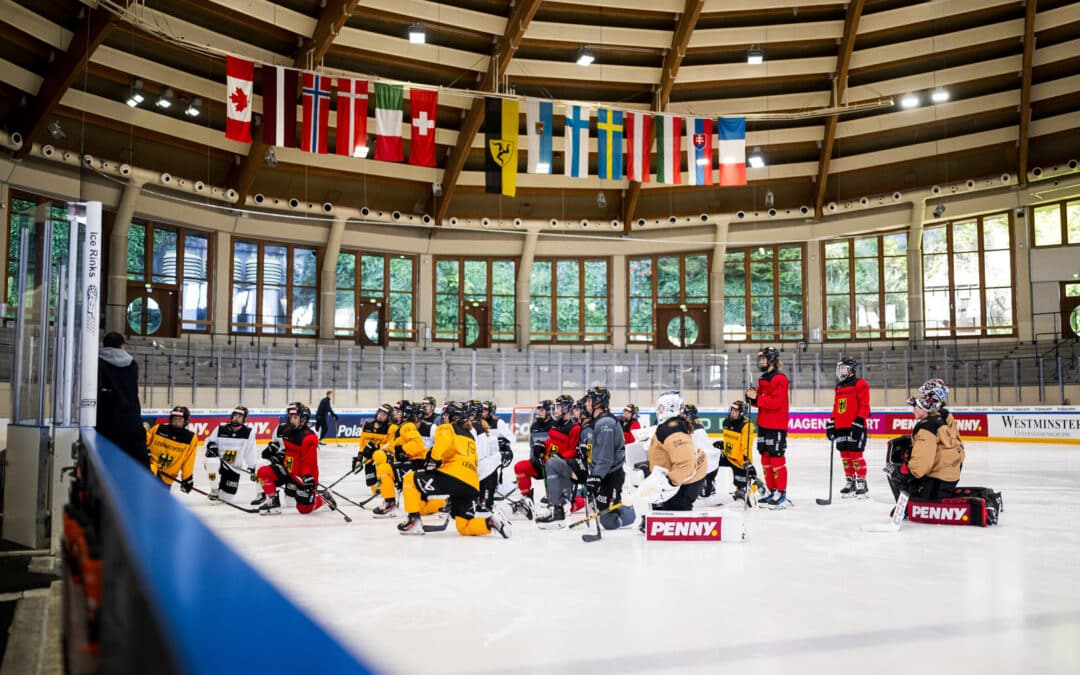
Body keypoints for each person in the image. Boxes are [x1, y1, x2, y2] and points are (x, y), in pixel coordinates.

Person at [396, 402, 511, 538]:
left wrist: (433, 459)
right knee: (464, 527)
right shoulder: (469, 435)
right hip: (471, 484)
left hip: (453, 476)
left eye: (446, 414)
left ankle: (413, 520)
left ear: (452, 417)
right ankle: (490, 522)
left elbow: (442, 445)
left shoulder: (447, 428)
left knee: (410, 479)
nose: (443, 417)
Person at [885, 381, 965, 501]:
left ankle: (909, 505)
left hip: (939, 477)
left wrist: (905, 472)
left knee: (897, 473)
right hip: (951, 471)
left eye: (922, 398)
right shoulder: (940, 417)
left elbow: (923, 460)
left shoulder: (928, 425)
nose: (913, 410)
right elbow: (952, 442)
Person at [254, 402, 337, 515]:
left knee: (303, 509)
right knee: (263, 471)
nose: (290, 419)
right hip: (288, 470)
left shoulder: (309, 437)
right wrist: (279, 457)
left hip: (303, 476)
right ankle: (273, 500)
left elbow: (310, 462)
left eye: (295, 417)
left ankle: (323, 498)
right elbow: (288, 452)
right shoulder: (286, 431)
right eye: (290, 416)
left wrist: (309, 478)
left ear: (303, 420)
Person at [638, 391, 708, 514]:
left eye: (660, 407)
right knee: (672, 512)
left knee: (677, 514)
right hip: (681, 479)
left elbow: (685, 464)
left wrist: (669, 482)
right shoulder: (671, 426)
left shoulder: (672, 428)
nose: (658, 410)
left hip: (683, 482)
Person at [746, 347, 792, 509]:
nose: (761, 362)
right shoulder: (763, 378)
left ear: (772, 360)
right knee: (765, 457)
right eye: (760, 359)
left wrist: (757, 397)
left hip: (776, 425)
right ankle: (772, 490)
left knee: (776, 458)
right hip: (764, 424)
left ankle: (781, 492)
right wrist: (751, 397)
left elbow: (775, 402)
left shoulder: (780, 379)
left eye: (764, 359)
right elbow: (759, 399)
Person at [95, 331, 148, 468]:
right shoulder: (132, 364)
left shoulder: (96, 362)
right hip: (130, 418)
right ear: (121, 346)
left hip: (104, 419)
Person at [537, 397, 590, 525]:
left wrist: (559, 457)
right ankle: (555, 506)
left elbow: (573, 450)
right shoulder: (556, 424)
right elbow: (552, 441)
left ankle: (566, 505)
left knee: (565, 496)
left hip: (567, 465)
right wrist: (542, 445)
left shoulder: (575, 427)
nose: (556, 410)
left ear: (566, 408)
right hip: (554, 461)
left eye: (559, 407)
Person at [826, 357, 871, 499]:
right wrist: (832, 423)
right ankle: (850, 481)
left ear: (851, 369)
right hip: (841, 426)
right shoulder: (839, 387)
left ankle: (861, 482)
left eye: (843, 367)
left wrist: (859, 421)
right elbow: (836, 406)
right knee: (845, 456)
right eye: (839, 368)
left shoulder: (860, 384)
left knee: (855, 455)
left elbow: (865, 405)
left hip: (855, 426)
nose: (840, 371)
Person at [371, 401, 425, 518]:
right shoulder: (402, 427)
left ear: (405, 414)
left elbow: (418, 444)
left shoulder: (407, 426)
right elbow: (394, 446)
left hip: (416, 465)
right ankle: (390, 501)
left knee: (384, 469)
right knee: (386, 468)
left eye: (398, 411)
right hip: (412, 464)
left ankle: (390, 503)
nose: (394, 413)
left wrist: (403, 450)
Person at [203, 405, 258, 503]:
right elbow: (209, 441)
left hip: (233, 467)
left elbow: (250, 451)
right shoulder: (220, 428)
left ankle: (222, 491)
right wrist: (211, 446)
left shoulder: (248, 433)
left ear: (244, 419)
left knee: (226, 499)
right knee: (211, 462)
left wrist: (253, 467)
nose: (236, 418)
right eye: (235, 415)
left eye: (239, 416)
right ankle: (214, 488)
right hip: (219, 463)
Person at [712, 401, 761, 502]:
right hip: (727, 456)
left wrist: (747, 462)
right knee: (711, 460)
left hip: (740, 460)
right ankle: (709, 485)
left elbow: (746, 445)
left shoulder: (747, 426)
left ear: (742, 413)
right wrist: (723, 444)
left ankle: (756, 486)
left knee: (741, 490)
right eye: (732, 410)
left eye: (736, 411)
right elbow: (731, 440)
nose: (732, 413)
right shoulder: (726, 422)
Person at [513, 399, 556, 507]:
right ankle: (527, 499)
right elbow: (532, 446)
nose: (539, 412)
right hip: (538, 463)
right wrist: (535, 459)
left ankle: (556, 497)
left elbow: (557, 445)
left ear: (549, 411)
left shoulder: (556, 425)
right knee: (520, 467)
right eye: (539, 410)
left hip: (554, 463)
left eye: (542, 410)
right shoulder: (535, 426)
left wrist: (548, 458)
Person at [147, 406, 199, 493]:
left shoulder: (190, 438)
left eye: (180, 419)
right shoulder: (158, 429)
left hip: (167, 477)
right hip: (150, 470)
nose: (176, 422)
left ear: (185, 421)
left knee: (160, 502)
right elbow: (145, 442)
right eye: (175, 419)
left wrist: (187, 478)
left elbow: (188, 460)